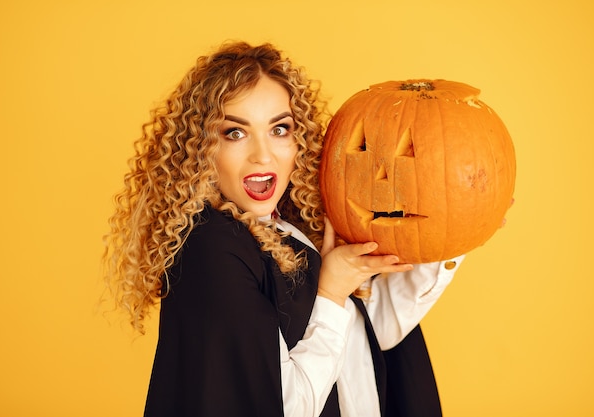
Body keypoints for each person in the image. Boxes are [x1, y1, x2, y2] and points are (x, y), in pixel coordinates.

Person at [102, 41, 464, 417]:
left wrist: (453, 226)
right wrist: (332, 290)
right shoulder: (214, 252)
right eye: (234, 133)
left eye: (279, 129)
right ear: (200, 150)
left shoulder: (291, 228)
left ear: (300, 139)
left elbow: (371, 334)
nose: (263, 155)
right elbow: (284, 406)